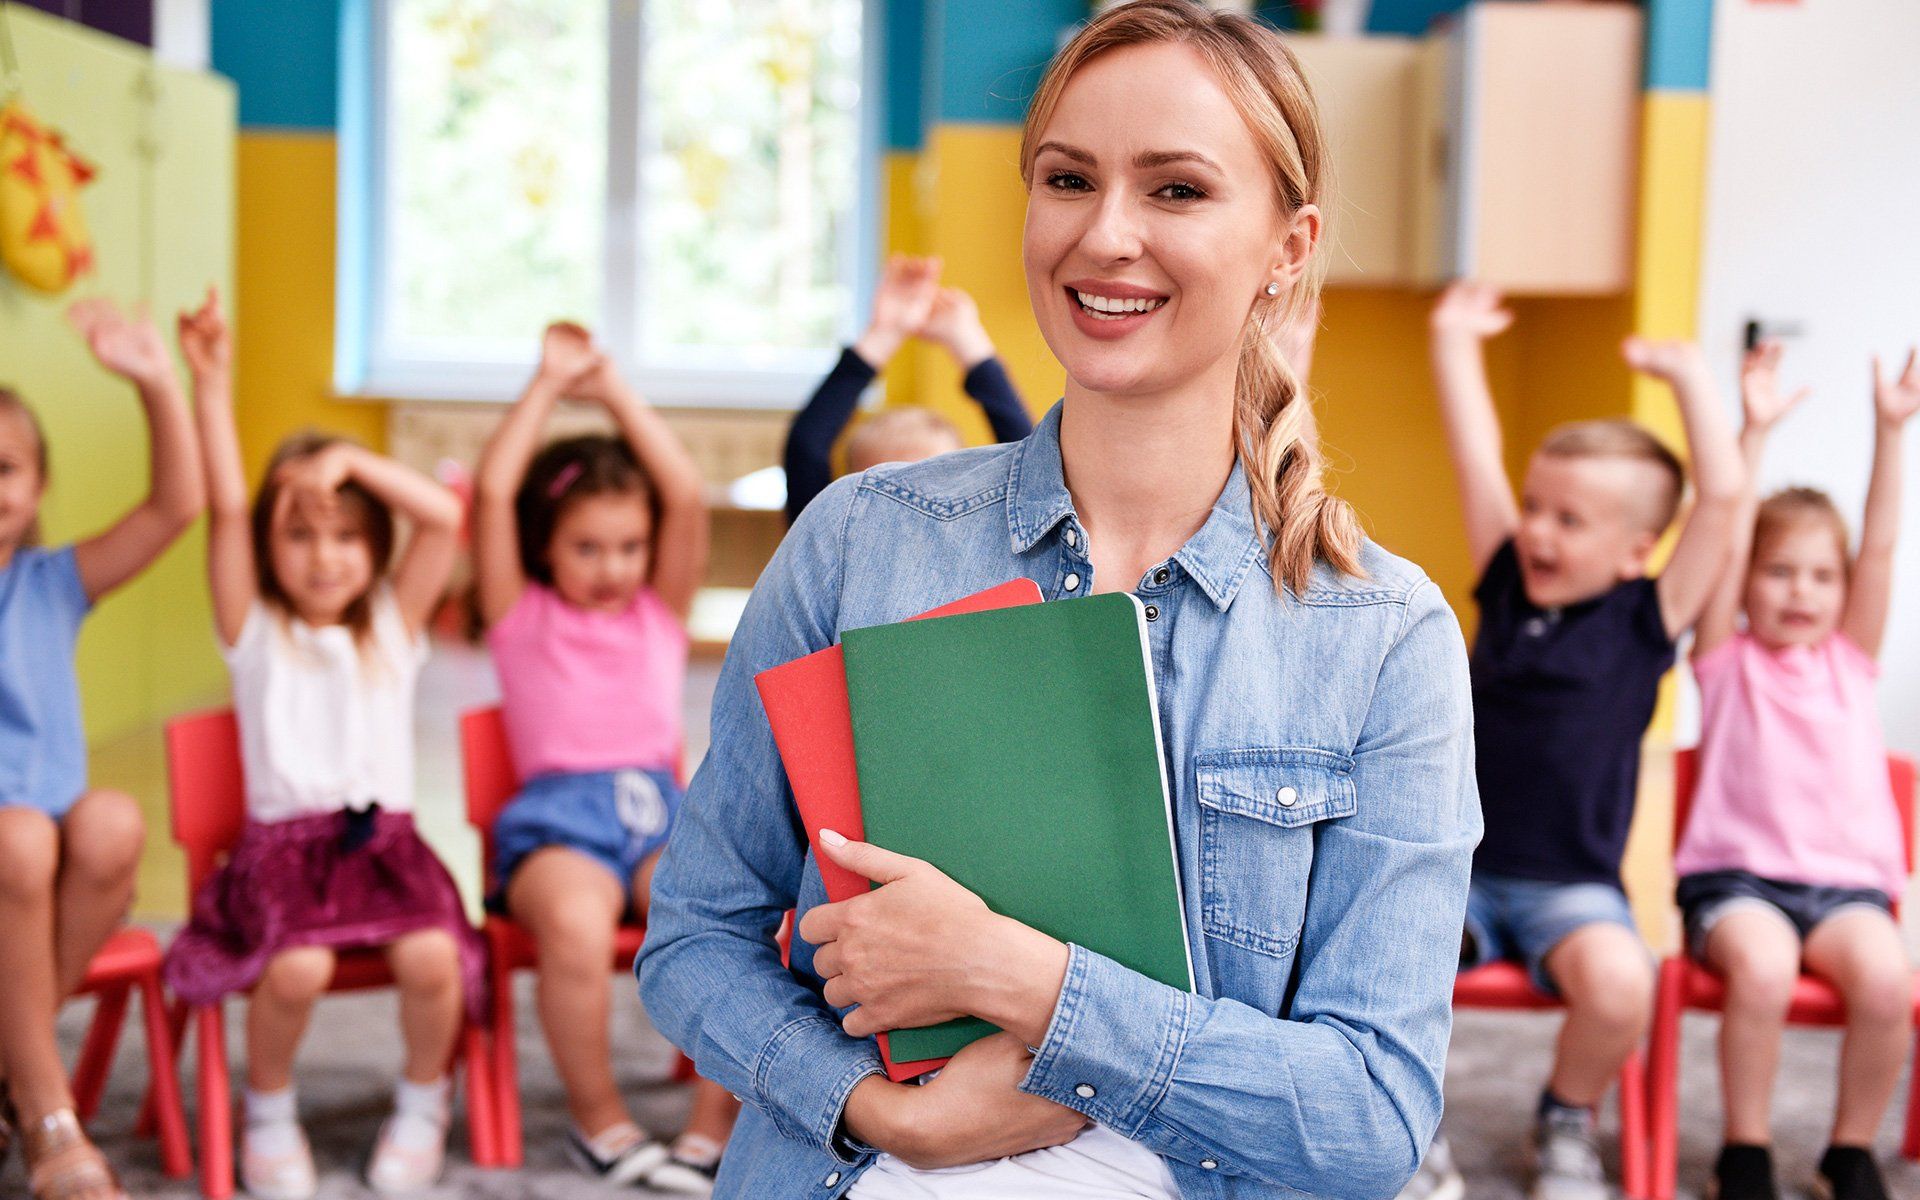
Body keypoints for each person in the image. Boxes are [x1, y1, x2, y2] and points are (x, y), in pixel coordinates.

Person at [639, 3, 1479, 1197]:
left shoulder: (1386, 640)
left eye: (1177, 190)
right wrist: (884, 1114)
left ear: (1289, 247)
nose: (1106, 236)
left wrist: (1021, 978)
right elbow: (695, 939)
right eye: (1068, 179)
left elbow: (1370, 1117)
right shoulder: (858, 543)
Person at [1408, 280, 1744, 1200]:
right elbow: (1475, 455)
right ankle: (1407, 1119)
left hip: (1574, 888)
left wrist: (1687, 381)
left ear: (1637, 549)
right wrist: (1452, 341)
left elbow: (1723, 497)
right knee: (1385, 952)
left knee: (1623, 984)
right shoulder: (1508, 585)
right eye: (1536, 508)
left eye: (1569, 520)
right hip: (1462, 867)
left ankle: (1565, 1116)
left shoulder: (1648, 615)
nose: (1538, 532)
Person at [162, 290, 482, 1199]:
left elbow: (444, 520)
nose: (324, 555)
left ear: (372, 544)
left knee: (432, 961)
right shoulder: (255, 631)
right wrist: (211, 380)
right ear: (268, 549)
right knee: (296, 969)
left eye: (345, 535)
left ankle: (424, 1101)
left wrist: (350, 461)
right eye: (299, 533)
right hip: (282, 858)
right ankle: (267, 1112)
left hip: (385, 848)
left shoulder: (392, 622)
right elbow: (226, 506)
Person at [472, 321, 736, 1194]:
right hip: (559, 823)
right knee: (578, 930)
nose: (613, 567)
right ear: (545, 542)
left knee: (721, 914)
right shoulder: (520, 615)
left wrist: (616, 388)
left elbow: (684, 496)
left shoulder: (656, 615)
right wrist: (548, 385)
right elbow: (493, 490)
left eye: (628, 547)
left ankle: (709, 1126)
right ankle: (600, 1121)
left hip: (658, 812)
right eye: (588, 547)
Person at [1674, 341, 1920, 1200]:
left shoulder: (1850, 661)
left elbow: (1881, 547)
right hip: (1738, 884)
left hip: (1846, 890)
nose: (1800, 592)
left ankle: (1848, 1152)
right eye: (1779, 573)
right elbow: (1727, 538)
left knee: (1891, 981)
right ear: (1746, 587)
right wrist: (1753, 430)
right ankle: (1746, 1148)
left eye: (1821, 576)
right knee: (1767, 972)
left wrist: (1893, 432)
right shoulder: (1726, 660)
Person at [0, 300, 203, 1200]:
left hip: (45, 855)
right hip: (15, 849)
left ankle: (11, 1065)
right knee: (23, 841)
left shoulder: (52, 584)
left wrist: (160, 381)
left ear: (36, 487)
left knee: (115, 820)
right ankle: (47, 1117)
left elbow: (176, 507)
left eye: (3, 468)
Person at [784, 256, 1032, 523]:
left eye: (934, 488)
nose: (913, 506)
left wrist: (969, 343)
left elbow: (1030, 467)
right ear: (848, 497)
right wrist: (884, 335)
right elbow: (806, 448)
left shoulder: (978, 541)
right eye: (887, 490)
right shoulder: (834, 537)